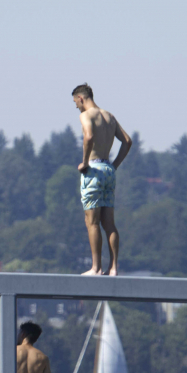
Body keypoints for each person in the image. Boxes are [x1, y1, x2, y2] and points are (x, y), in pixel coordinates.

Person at [71, 84, 132, 276]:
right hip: (108, 170)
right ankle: (113, 267)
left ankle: (96, 268)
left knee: (92, 222)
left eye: (75, 103)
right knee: (109, 223)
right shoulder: (109, 116)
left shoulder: (86, 115)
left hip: (94, 170)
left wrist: (84, 163)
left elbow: (88, 136)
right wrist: (114, 165)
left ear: (81, 98)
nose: (76, 107)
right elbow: (127, 141)